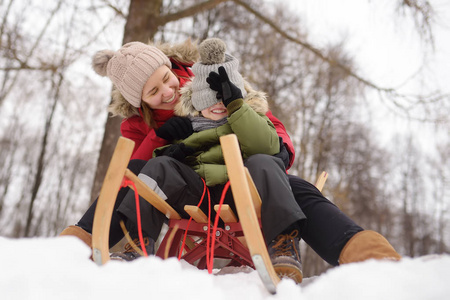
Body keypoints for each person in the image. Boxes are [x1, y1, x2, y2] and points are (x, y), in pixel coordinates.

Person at [59, 37, 400, 281]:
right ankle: (76, 246)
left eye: (167, 78)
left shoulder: (212, 76)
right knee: (137, 171)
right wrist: (159, 137)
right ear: (141, 103)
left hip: (246, 179)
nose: (168, 91)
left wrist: (280, 149)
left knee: (299, 189)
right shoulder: (138, 126)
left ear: (171, 67)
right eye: (153, 93)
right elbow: (130, 176)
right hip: (187, 190)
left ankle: (366, 256)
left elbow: (262, 116)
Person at [116, 38, 305, 282]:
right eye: (208, 98)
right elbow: (156, 165)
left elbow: (266, 145)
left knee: (265, 161)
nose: (216, 104)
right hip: (199, 196)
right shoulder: (188, 125)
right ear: (195, 100)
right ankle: (138, 243)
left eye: (222, 97)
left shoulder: (247, 114)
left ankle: (283, 243)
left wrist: (236, 106)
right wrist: (170, 152)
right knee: (158, 166)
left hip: (242, 194)